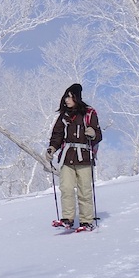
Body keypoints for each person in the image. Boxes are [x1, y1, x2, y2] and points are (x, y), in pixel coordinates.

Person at [49, 82, 102, 231]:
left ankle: (86, 221)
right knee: (66, 188)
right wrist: (52, 148)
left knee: (84, 190)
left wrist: (93, 134)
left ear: (77, 98)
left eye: (70, 97)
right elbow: (57, 135)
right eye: (66, 97)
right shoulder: (63, 116)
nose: (67, 100)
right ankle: (67, 218)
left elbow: (98, 134)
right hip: (67, 157)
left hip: (84, 156)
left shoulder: (89, 113)